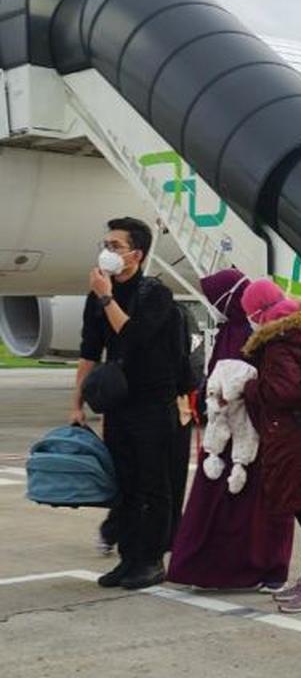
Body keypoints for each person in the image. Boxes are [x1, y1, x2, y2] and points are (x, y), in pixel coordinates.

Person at [167, 268, 295, 591]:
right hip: (231, 431)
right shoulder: (233, 330)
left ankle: (235, 568)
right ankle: (231, 567)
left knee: (238, 506)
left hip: (245, 433)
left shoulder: (243, 334)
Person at [74, 217, 181, 591]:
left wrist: (106, 297)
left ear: (136, 254)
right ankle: (128, 558)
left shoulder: (155, 294)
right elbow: (89, 351)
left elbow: (133, 336)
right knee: (126, 483)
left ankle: (151, 560)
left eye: (115, 246)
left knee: (154, 484)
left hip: (153, 401)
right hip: (118, 403)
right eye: (105, 244)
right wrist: (77, 404)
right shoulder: (96, 295)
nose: (107, 252)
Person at [240, 279, 301, 614]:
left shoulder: (280, 342)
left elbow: (283, 393)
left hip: (298, 439)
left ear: (258, 313)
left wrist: (251, 387)